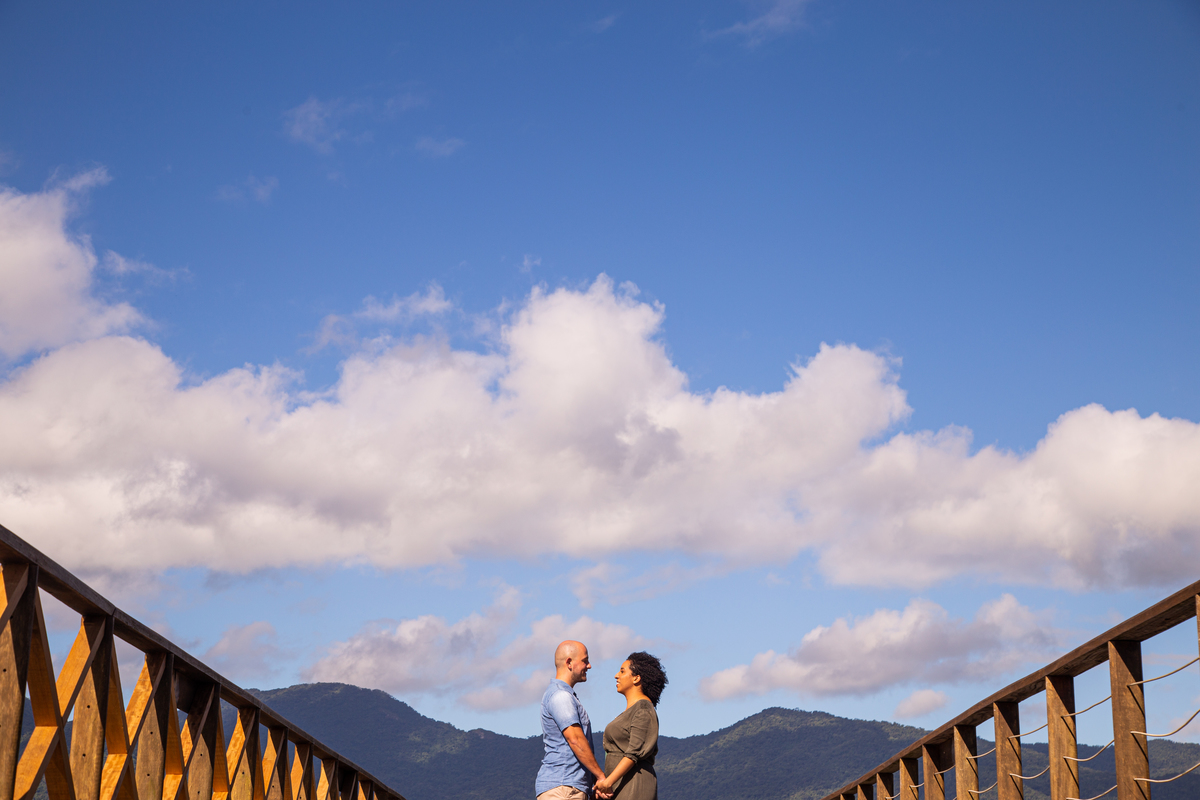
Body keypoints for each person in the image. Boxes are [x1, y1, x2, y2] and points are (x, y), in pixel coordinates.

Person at [536, 640, 609, 800]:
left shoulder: (564, 696)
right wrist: (600, 777)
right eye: (585, 661)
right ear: (569, 662)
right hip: (563, 788)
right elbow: (575, 739)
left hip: (567, 787)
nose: (589, 666)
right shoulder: (561, 696)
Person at [594, 652, 667, 800]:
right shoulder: (632, 711)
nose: (616, 675)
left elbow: (633, 753)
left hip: (634, 784)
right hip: (620, 785)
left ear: (636, 678)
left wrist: (608, 782)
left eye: (622, 671)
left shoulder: (643, 709)